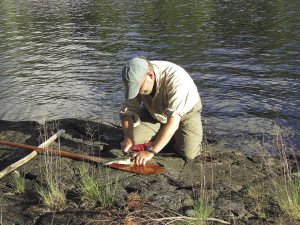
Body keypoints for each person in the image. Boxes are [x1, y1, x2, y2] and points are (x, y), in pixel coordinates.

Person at [119, 57, 203, 165]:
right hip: (154, 112)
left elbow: (172, 123)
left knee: (189, 154)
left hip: (185, 114)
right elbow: (127, 112)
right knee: (132, 141)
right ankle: (164, 135)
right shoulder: (135, 79)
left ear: (150, 75)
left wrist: (151, 151)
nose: (137, 91)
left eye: (139, 88)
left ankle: (171, 136)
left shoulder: (177, 82)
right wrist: (128, 137)